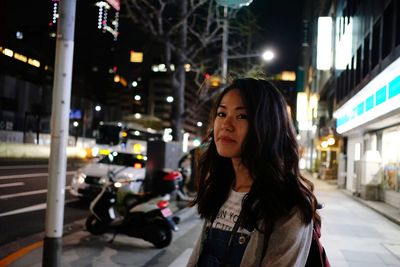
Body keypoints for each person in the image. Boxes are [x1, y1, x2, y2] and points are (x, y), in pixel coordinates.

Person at [186, 78, 320, 267]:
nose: (226, 124)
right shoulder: (220, 187)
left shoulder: (288, 206)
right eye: (221, 113)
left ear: (269, 126)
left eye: (242, 116)